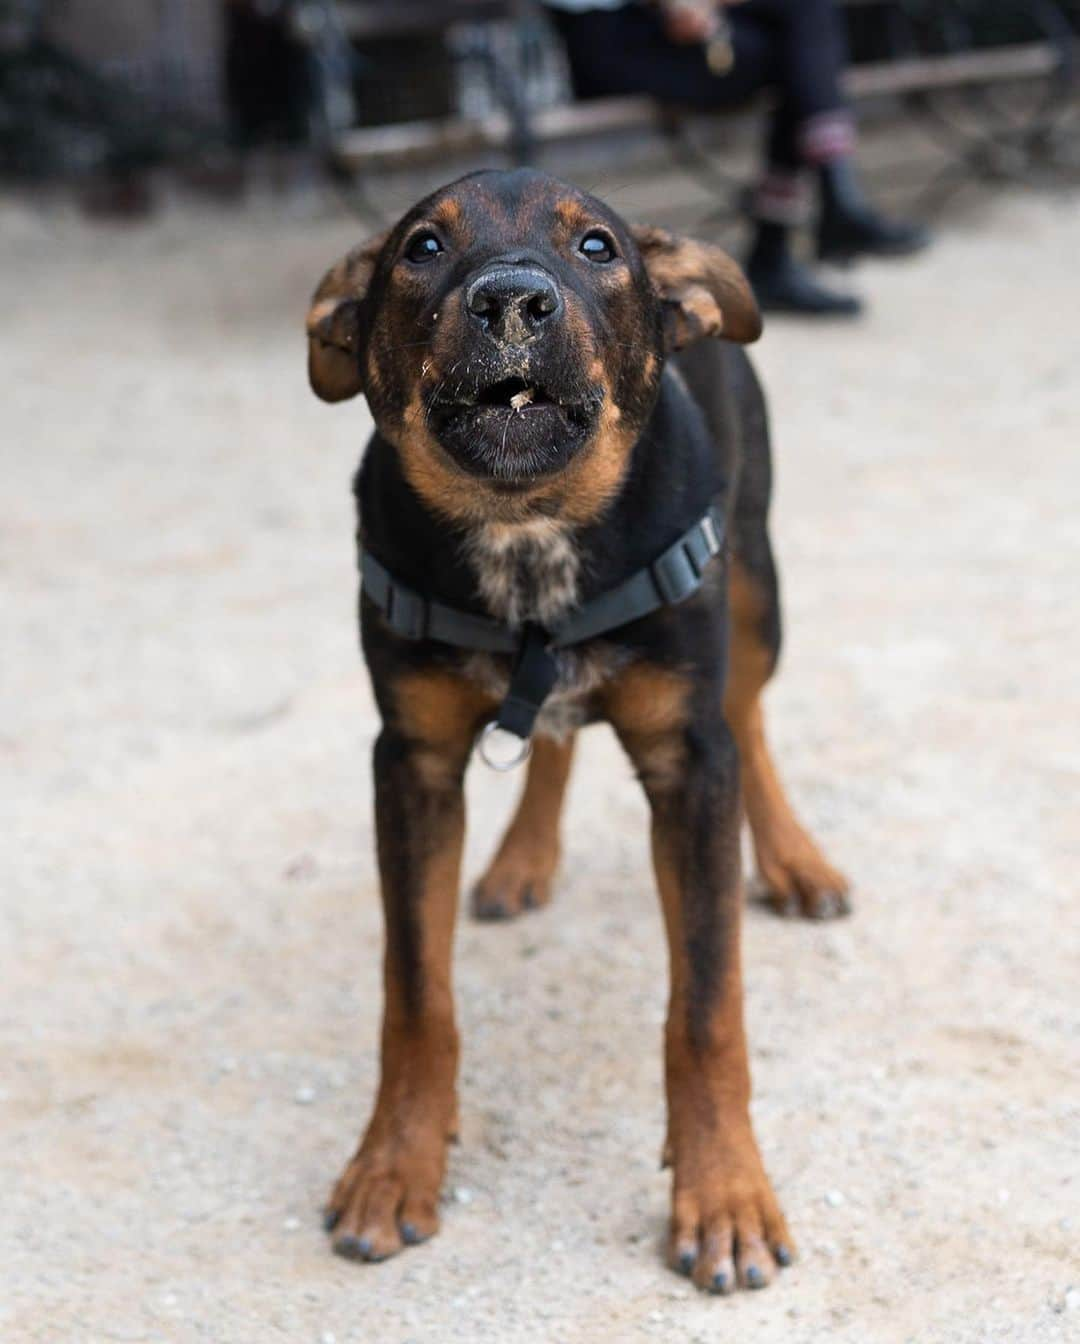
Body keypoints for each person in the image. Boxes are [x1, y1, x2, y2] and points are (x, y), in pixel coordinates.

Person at [544, 0, 930, 317]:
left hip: (669, 32)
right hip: (608, 40)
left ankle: (817, 218)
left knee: (800, 47)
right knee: (799, 57)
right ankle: (811, 219)